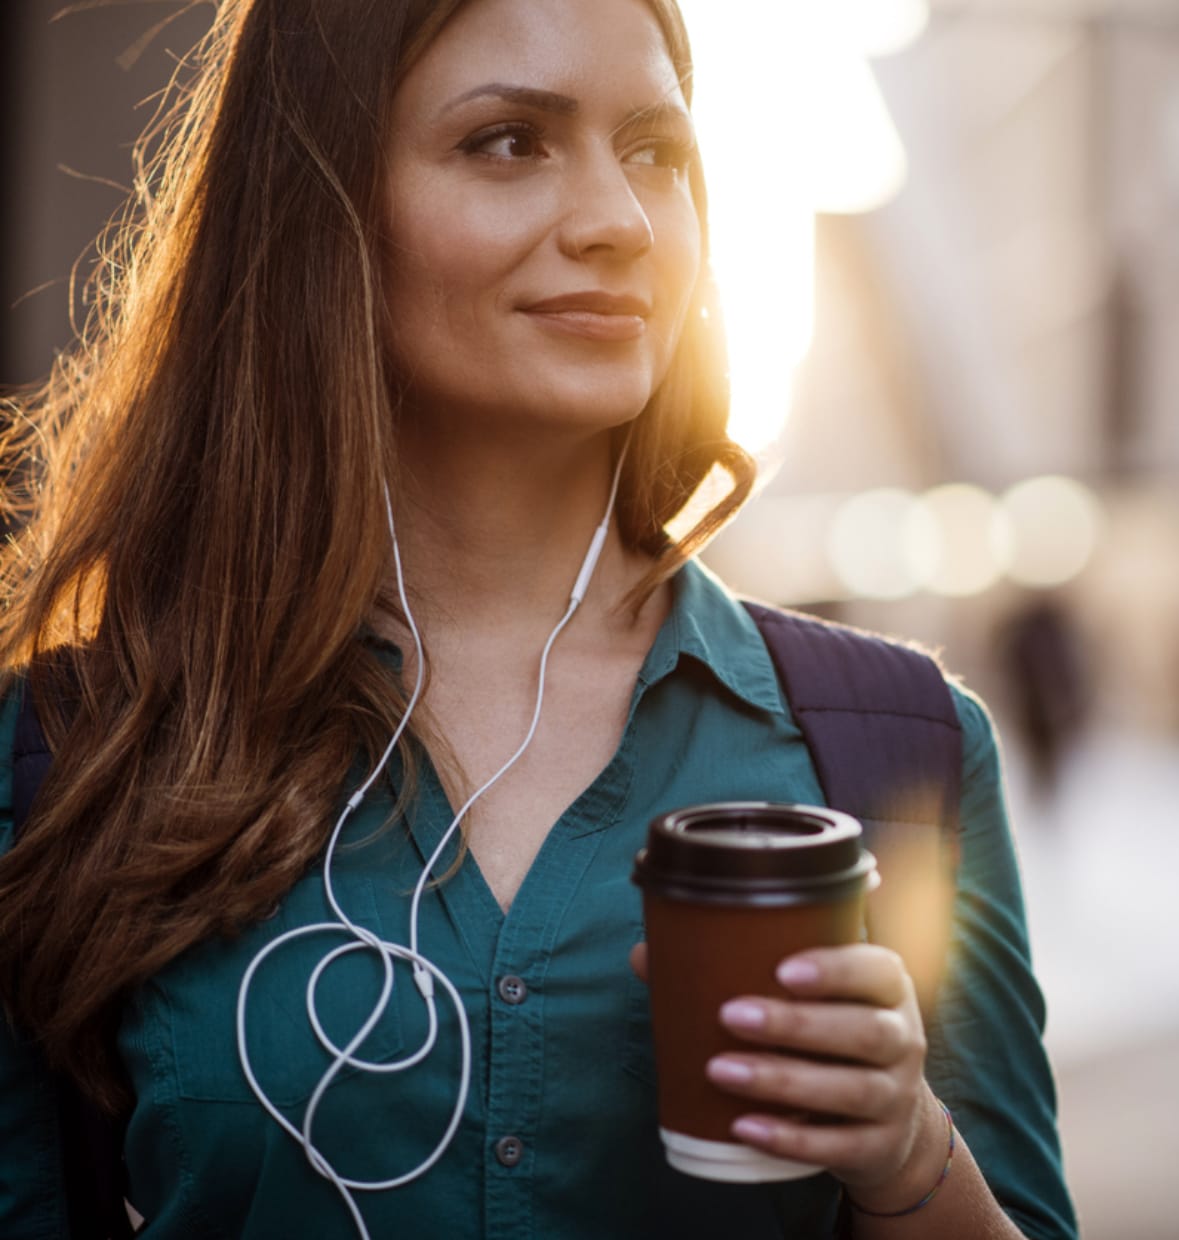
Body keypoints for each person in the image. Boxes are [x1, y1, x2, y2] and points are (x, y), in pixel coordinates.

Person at [0, 1, 1077, 1238]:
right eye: (510, 141)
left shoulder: (905, 752)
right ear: (324, 205)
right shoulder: (74, 756)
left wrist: (909, 1156)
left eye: (657, 154)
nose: (620, 221)